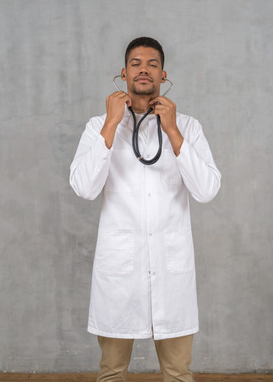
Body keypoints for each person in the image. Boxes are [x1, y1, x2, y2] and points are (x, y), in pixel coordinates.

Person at [70, 37, 221, 382]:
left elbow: (207, 190)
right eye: (136, 63)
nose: (143, 69)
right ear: (123, 74)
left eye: (152, 64)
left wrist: (172, 129)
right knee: (111, 372)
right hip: (120, 270)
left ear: (163, 75)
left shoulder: (189, 127)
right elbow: (84, 188)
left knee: (179, 373)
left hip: (171, 271)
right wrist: (111, 123)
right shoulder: (98, 126)